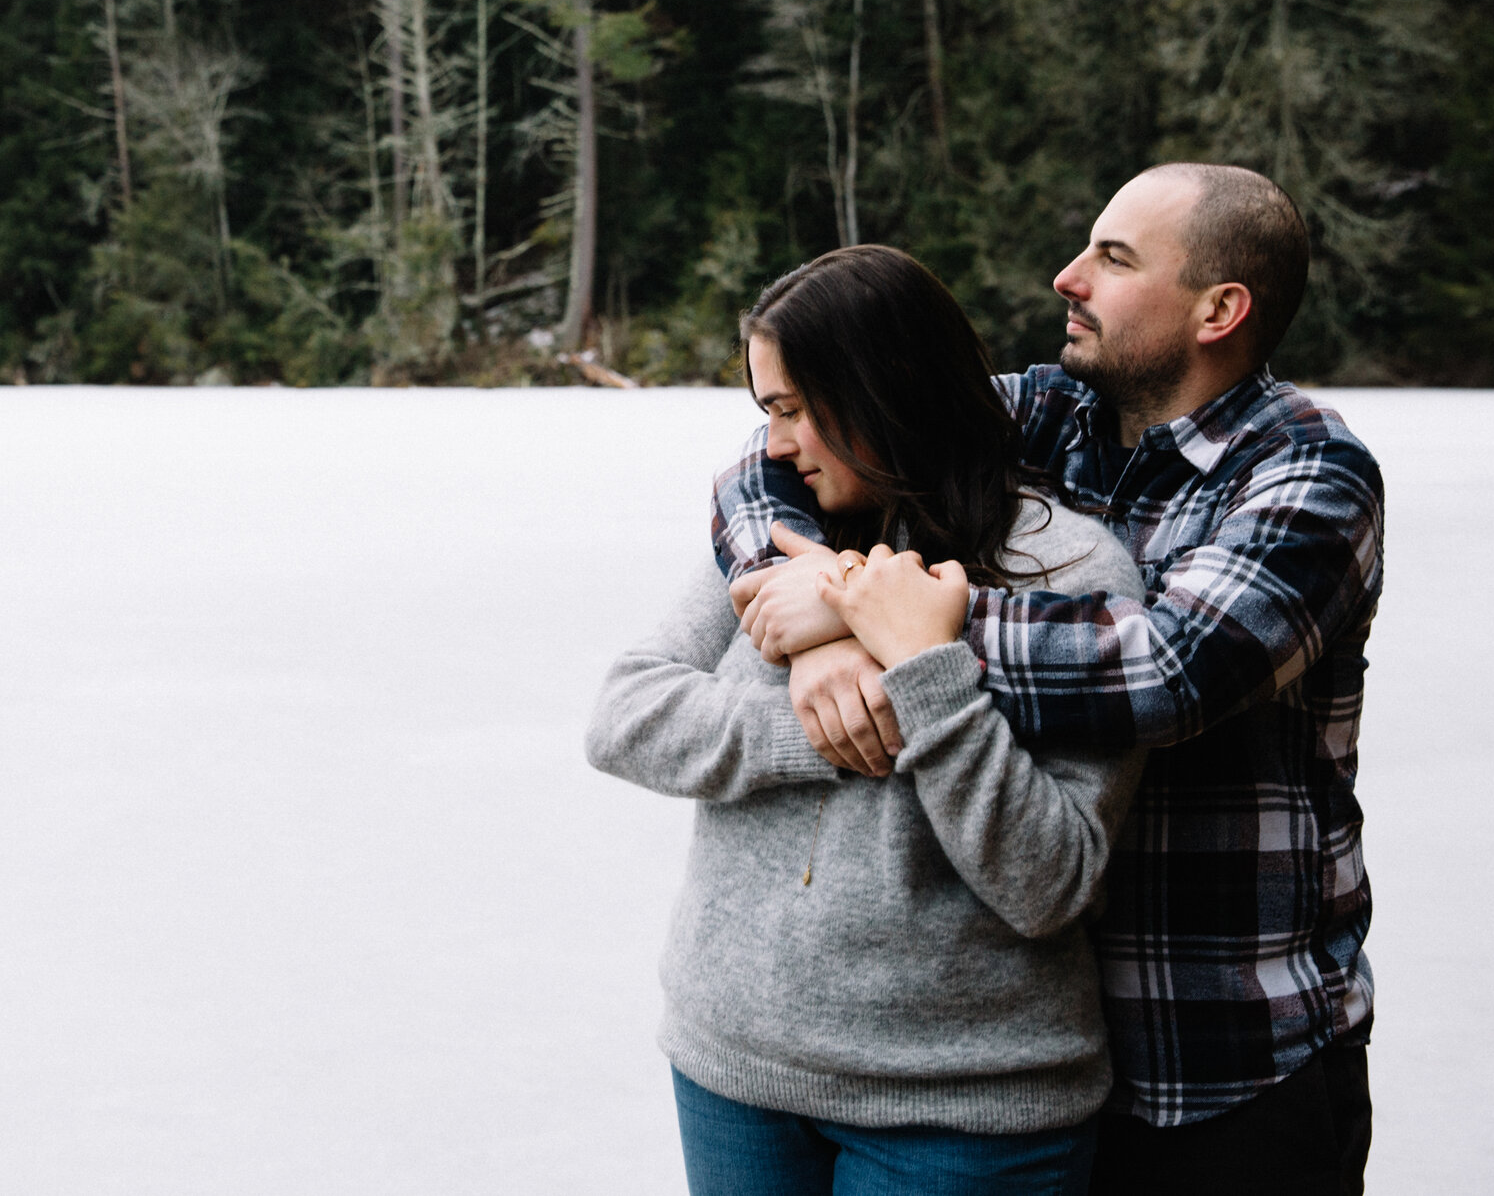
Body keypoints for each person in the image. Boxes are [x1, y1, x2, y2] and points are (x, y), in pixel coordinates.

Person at [725, 164, 1382, 1196]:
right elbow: (765, 466)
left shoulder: (1307, 473)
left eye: (1113, 257)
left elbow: (1170, 669)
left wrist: (899, 624)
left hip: (1221, 1055)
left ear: (1221, 308)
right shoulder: (1041, 412)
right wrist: (819, 611)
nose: (1065, 275)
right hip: (1022, 1039)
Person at [586, 244, 1149, 1196]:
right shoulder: (787, 534)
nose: (773, 446)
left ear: (888, 392)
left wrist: (925, 676)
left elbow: (1052, 878)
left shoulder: (1071, 572)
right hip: (733, 1070)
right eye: (766, 412)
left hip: (961, 1108)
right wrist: (818, 714)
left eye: (795, 411)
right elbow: (625, 713)